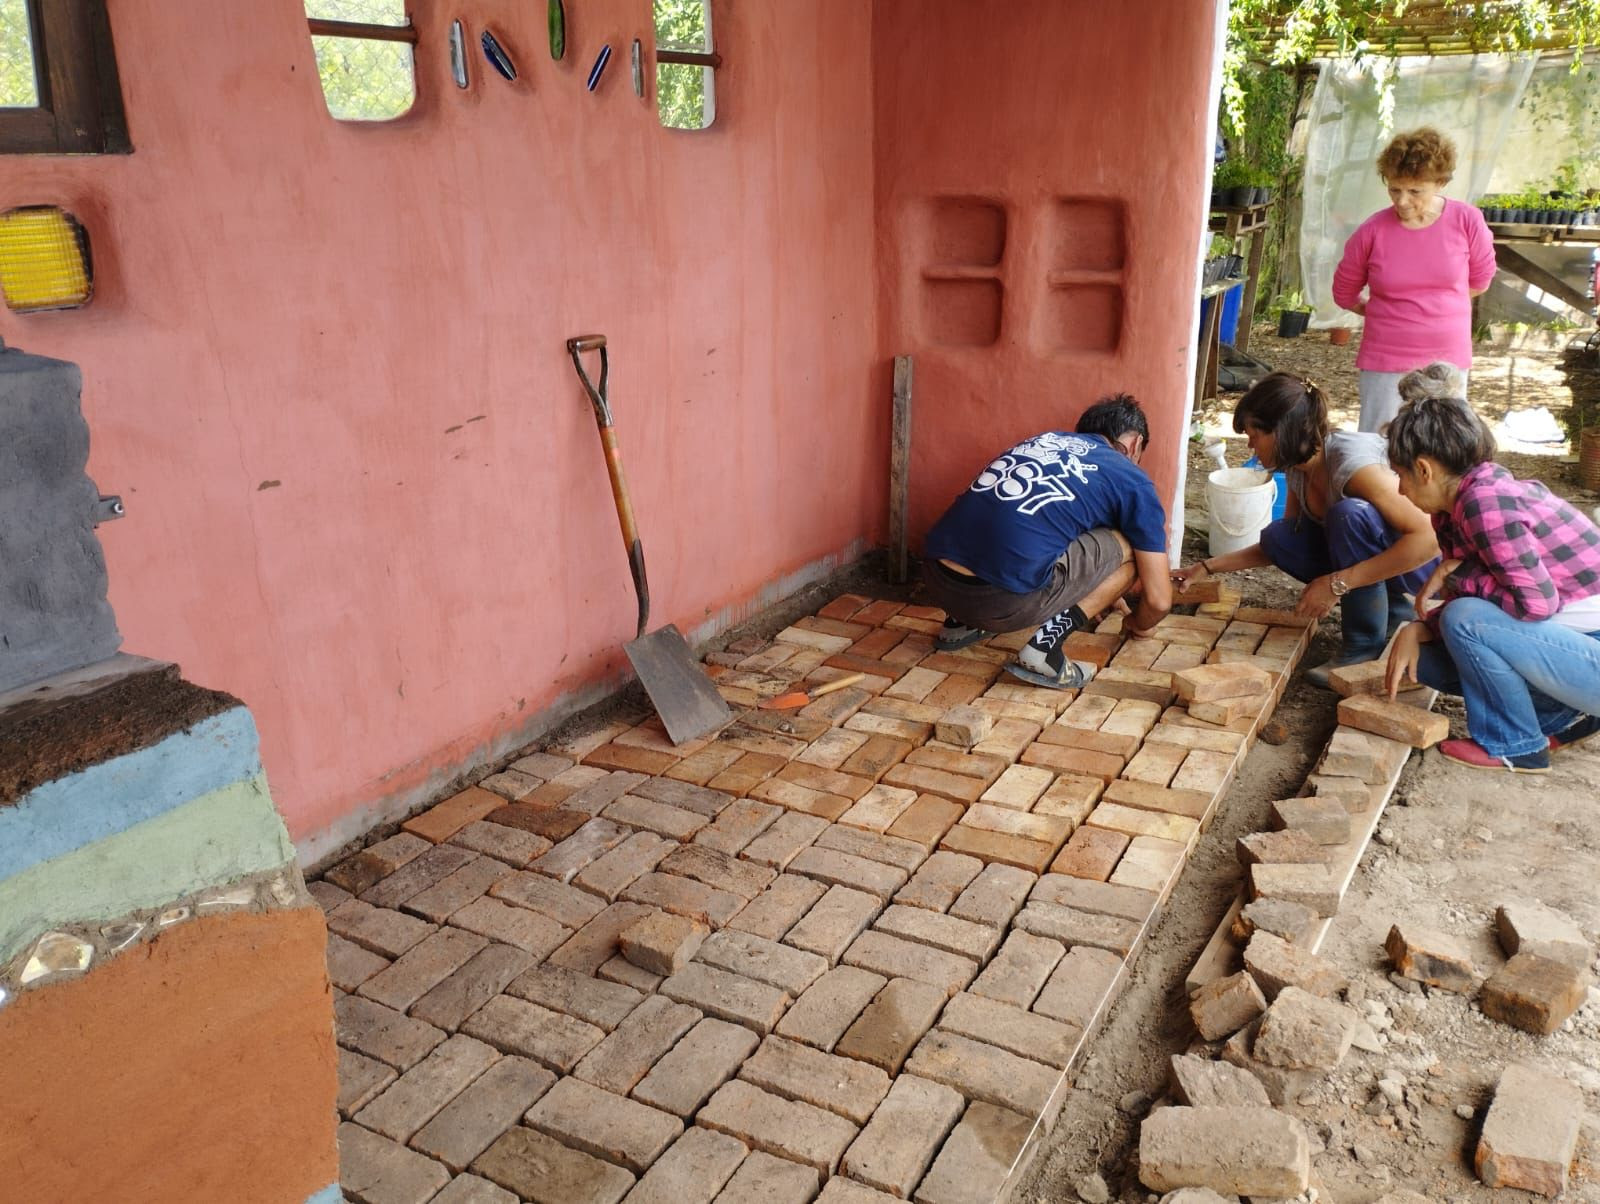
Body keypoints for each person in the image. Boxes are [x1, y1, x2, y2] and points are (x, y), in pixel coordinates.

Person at [1173, 372, 1438, 686]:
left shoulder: (1353, 467)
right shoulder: (1299, 469)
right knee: (1281, 535)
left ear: (1282, 432)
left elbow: (1428, 539)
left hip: (1422, 568)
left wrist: (1336, 584)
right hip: (1381, 560)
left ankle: (1362, 645)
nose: (1250, 446)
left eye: (1254, 435)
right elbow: (1280, 546)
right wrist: (1206, 567)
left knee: (1348, 515)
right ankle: (1392, 613)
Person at [1384, 395, 1600, 773]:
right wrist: (1420, 628)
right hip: (1573, 647)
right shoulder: (1454, 505)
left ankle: (1518, 746)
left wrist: (1457, 576)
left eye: (1399, 476)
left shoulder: (1485, 502)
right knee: (1430, 665)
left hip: (1589, 650)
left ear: (1423, 469)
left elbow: (1535, 605)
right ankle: (1556, 713)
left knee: (1463, 618)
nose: (1400, 490)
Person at [922, 394, 1173, 689]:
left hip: (935, 580)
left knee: (1026, 528)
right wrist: (1137, 625)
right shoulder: (1131, 478)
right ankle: (1044, 651)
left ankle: (959, 625)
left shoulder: (1042, 442)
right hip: (999, 602)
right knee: (1132, 547)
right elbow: (1158, 601)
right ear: (1135, 443)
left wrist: (1099, 588)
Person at [1332, 126, 1496, 434]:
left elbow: (1481, 280)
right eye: (1394, 189)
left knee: (1445, 447)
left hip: (1448, 360)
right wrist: (1383, 311)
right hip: (1386, 359)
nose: (1402, 201)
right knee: (1381, 444)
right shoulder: (1372, 231)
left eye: (1415, 191)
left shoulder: (1467, 221)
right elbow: (1344, 292)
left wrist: (1435, 306)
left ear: (1440, 183)